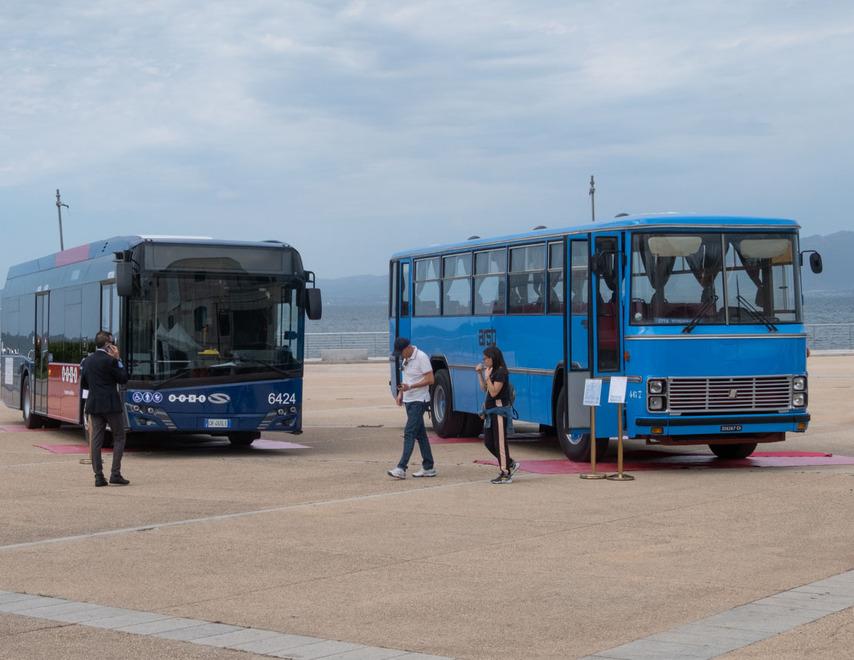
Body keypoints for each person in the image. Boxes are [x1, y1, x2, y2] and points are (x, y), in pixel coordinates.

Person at [81, 330, 130, 487]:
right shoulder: (111, 360)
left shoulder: (87, 361)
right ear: (108, 345)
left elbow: (84, 384)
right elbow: (123, 378)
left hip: (94, 404)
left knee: (96, 440)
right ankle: (115, 473)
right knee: (119, 437)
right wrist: (118, 359)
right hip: (110, 404)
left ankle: (98, 476)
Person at [387, 337, 436, 479]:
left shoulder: (421, 357)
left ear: (408, 348)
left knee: (409, 432)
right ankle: (428, 467)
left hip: (419, 400)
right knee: (420, 435)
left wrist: (411, 387)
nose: (401, 356)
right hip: (409, 400)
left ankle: (401, 467)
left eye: (402, 352)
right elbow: (407, 379)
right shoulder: (406, 359)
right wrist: (401, 393)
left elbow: (430, 379)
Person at [476, 346, 519, 484]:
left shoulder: (501, 372)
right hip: (490, 412)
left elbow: (494, 392)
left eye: (486, 358)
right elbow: (485, 389)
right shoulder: (492, 371)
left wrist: (488, 377)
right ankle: (509, 462)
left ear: (492, 358)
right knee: (489, 442)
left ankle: (505, 472)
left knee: (500, 442)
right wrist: (480, 374)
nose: (484, 361)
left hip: (499, 412)